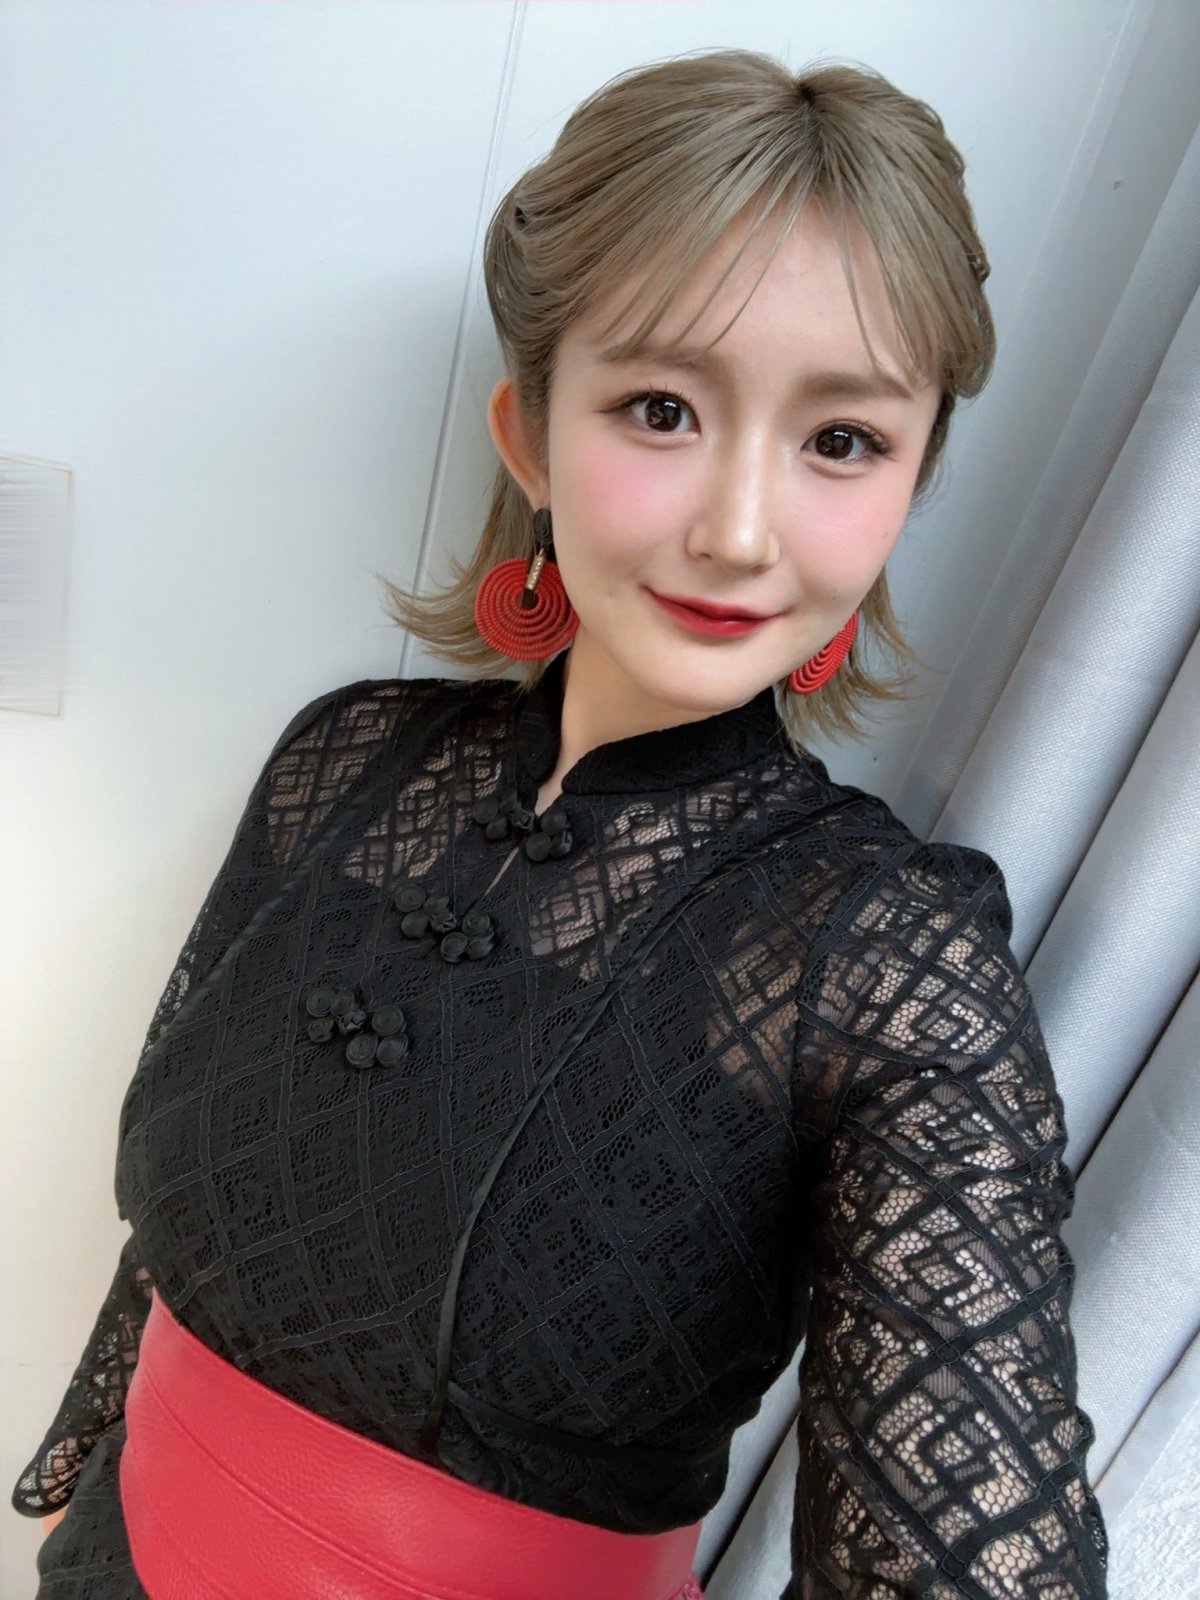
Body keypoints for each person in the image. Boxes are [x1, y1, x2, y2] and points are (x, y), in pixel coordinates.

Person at [13, 47, 1110, 1600]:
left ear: (912, 477)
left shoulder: (881, 956)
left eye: (842, 441)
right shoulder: (342, 766)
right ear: (528, 432)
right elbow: (168, 1264)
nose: (740, 529)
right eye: (662, 408)